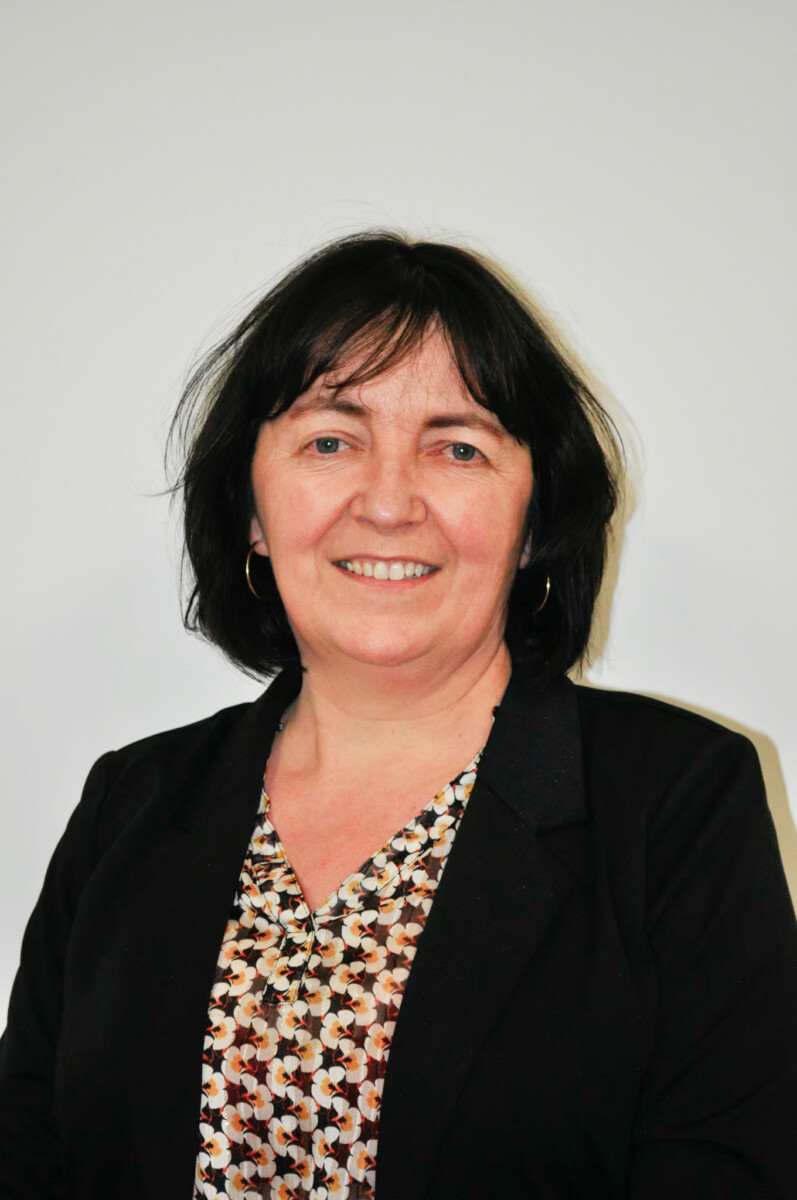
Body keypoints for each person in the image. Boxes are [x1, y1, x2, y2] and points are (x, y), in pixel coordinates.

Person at [1, 231, 796, 1200]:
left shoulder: (677, 806)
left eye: (456, 448)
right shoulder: (129, 803)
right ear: (251, 509)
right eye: (330, 441)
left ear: (533, 520)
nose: (387, 503)